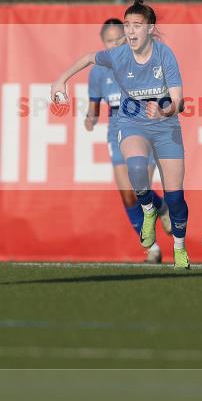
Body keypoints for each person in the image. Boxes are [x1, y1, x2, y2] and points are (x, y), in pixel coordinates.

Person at [52, 0, 191, 269]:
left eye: (136, 26)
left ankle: (179, 247)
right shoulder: (116, 58)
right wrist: (60, 80)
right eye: (127, 25)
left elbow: (179, 102)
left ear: (150, 28)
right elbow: (88, 59)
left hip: (165, 126)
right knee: (135, 173)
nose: (130, 31)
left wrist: (164, 110)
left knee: (175, 198)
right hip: (130, 123)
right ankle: (149, 215)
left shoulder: (164, 55)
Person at [85, 18, 172, 264]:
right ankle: (152, 248)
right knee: (128, 195)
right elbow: (94, 107)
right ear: (103, 42)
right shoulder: (98, 71)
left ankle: (161, 207)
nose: (114, 45)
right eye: (109, 41)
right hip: (117, 131)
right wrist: (90, 118)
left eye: (118, 40)